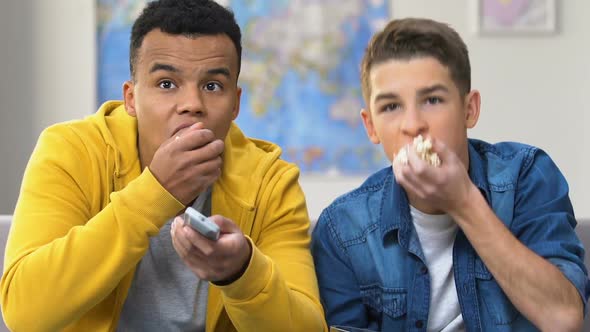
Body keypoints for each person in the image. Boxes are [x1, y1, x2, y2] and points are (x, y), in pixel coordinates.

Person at [1, 1, 327, 331]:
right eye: (166, 84)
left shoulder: (271, 181)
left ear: (235, 104)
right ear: (131, 98)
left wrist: (241, 271)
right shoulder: (71, 151)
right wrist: (155, 192)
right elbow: (24, 313)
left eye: (212, 86)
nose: (192, 106)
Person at [311, 18, 588, 331]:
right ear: (370, 126)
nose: (413, 124)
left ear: (470, 109)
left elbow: (564, 318)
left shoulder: (526, 176)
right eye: (391, 106)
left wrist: (464, 202)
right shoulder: (341, 229)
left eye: (432, 100)